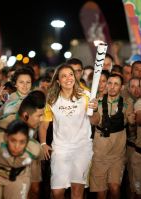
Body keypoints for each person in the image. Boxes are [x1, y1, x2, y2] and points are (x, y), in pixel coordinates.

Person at [39, 64, 99, 199]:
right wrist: (43, 143)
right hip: (60, 148)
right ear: (58, 81)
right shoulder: (52, 99)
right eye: (64, 76)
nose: (68, 78)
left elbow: (95, 121)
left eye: (70, 74)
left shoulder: (86, 95)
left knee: (77, 191)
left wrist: (94, 109)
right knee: (57, 192)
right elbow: (43, 125)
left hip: (82, 148)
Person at [89, 74, 134, 199]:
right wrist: (92, 111)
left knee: (114, 188)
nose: (112, 87)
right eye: (110, 83)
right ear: (105, 85)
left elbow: (131, 120)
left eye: (116, 84)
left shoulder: (127, 103)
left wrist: (132, 120)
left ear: (121, 87)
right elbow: (95, 121)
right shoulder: (97, 102)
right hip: (99, 154)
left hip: (117, 155)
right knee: (101, 192)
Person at [0, 120, 42, 199]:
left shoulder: (35, 148)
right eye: (13, 140)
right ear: (7, 137)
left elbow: (36, 167)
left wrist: (33, 186)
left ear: (27, 141)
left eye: (22, 142)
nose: (17, 146)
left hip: (18, 175)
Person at [0, 90, 46, 199]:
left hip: (30, 154)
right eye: (39, 116)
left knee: (35, 190)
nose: (42, 119)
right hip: (9, 162)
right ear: (25, 116)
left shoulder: (32, 123)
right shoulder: (5, 126)